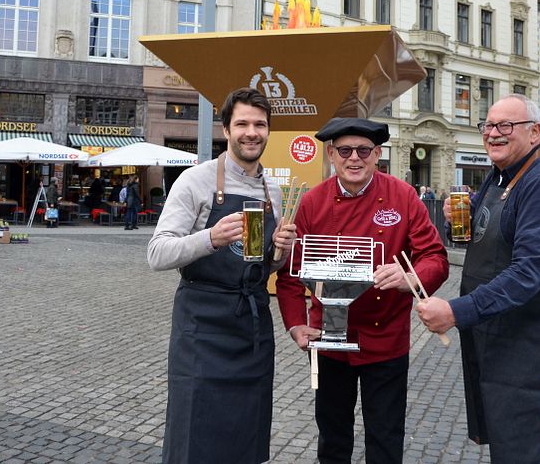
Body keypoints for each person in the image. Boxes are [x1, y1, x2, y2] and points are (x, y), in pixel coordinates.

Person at [416, 94, 540, 463]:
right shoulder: (499, 175)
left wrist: (457, 311)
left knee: (523, 436)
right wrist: (457, 220)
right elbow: (488, 236)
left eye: (505, 126)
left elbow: (528, 272)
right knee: (504, 429)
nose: (494, 134)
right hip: (505, 319)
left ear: (535, 132)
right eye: (489, 125)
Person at [276, 117, 449, 463]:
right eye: (345, 150)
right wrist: (295, 324)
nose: (354, 158)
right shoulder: (310, 202)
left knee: (385, 438)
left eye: (363, 150)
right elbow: (292, 274)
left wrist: (408, 276)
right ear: (330, 155)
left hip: (385, 340)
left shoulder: (403, 196)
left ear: (377, 154)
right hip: (329, 340)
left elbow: (435, 257)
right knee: (333, 438)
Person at [147, 87, 297, 463]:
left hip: (251, 325)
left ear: (268, 131)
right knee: (194, 430)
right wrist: (209, 238)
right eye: (242, 123)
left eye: (260, 125)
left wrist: (282, 251)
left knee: (246, 431)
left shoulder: (272, 191)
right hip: (202, 324)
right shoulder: (195, 182)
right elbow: (158, 253)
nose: (251, 132)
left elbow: (265, 266)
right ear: (226, 131)